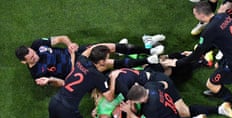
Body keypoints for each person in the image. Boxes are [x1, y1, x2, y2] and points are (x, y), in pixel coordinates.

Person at [23, 45, 122, 118]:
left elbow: (88, 50)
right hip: (67, 108)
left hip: (55, 101)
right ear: (101, 62)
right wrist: (113, 78)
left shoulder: (81, 60)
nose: (107, 60)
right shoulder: (98, 77)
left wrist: (97, 48)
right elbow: (110, 97)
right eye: (106, 58)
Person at [162, 1, 232, 117]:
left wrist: (177, 62)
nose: (195, 17)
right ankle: (218, 91)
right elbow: (217, 40)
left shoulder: (209, 31)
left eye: (195, 14)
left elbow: (196, 55)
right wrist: (197, 52)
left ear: (201, 15)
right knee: (217, 67)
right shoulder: (223, 16)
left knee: (211, 83)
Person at [15, 35, 164, 87]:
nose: (35, 55)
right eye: (32, 57)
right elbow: (65, 83)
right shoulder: (37, 74)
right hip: (76, 69)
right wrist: (73, 58)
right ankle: (149, 60)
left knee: (105, 47)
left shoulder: (37, 44)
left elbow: (62, 38)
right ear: (24, 62)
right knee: (105, 63)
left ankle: (148, 49)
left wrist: (69, 44)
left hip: (76, 53)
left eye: (33, 52)